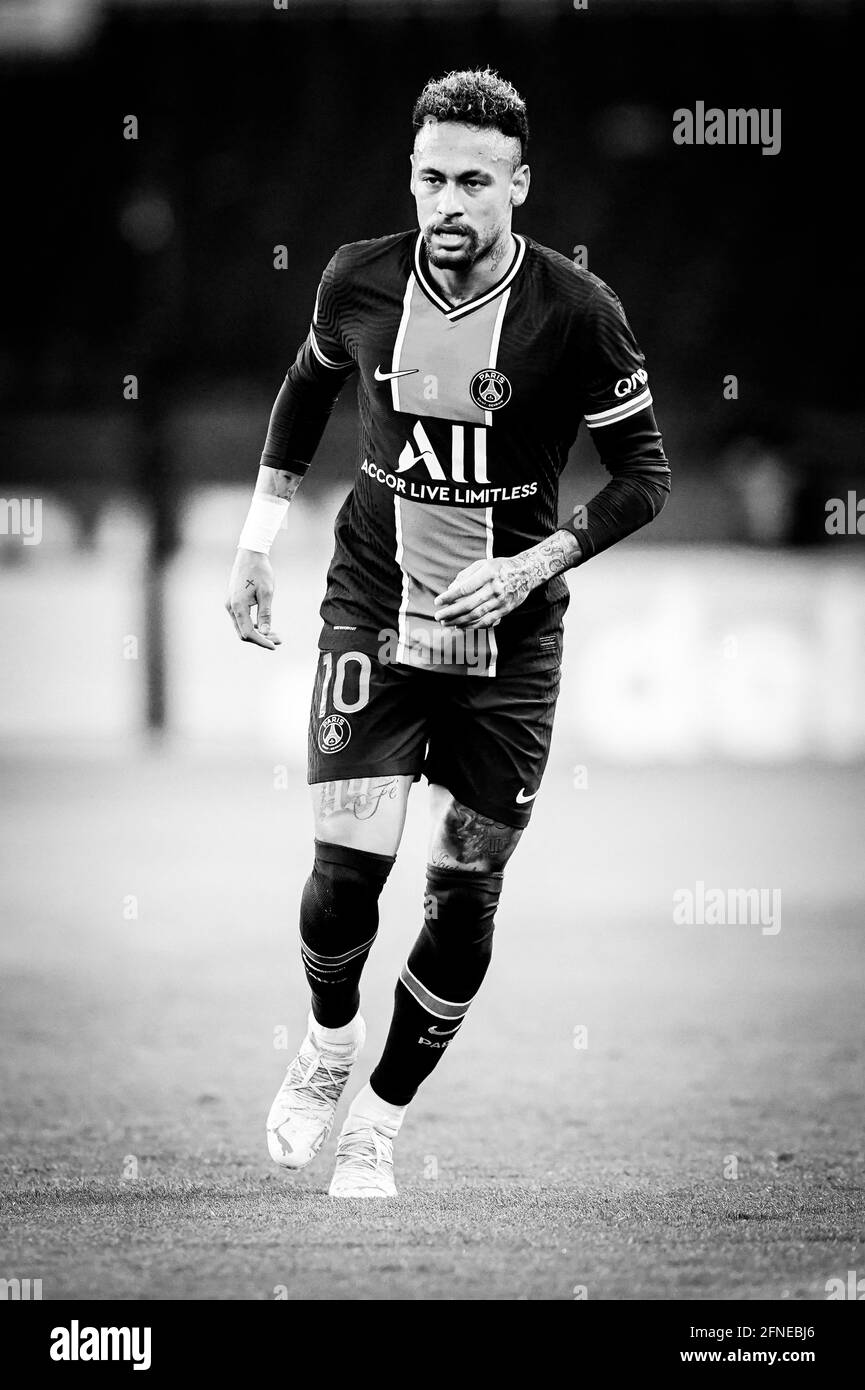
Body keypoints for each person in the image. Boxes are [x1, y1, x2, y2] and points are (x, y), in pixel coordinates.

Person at [225, 68, 670, 1198]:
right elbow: (304, 390)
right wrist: (253, 544)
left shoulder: (579, 312)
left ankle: (379, 1117)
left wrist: (534, 560)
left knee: (464, 888)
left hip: (509, 636)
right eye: (431, 178)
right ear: (409, 181)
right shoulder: (358, 279)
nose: (449, 203)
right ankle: (328, 1043)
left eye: (475, 180)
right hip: (375, 601)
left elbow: (643, 477)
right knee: (342, 874)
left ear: (521, 186)